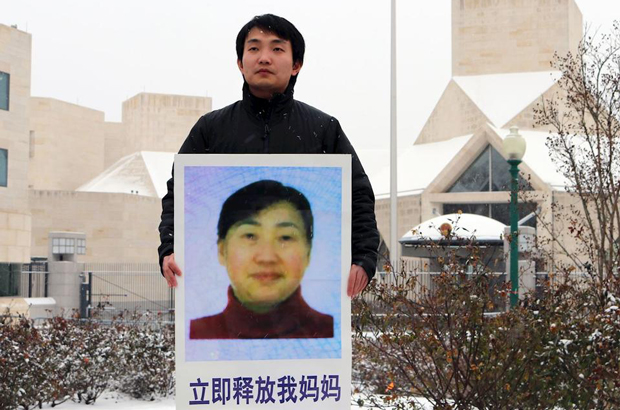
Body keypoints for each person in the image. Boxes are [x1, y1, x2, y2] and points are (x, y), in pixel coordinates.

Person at [159, 14, 379, 298]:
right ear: (240, 62)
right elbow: (179, 194)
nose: (264, 58)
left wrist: (363, 257)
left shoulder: (323, 128)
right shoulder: (211, 129)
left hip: (316, 298)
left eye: (277, 49)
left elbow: (358, 194)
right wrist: (169, 248)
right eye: (254, 48)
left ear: (296, 64)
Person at [190, 180, 333, 339]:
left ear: (308, 252)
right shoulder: (196, 335)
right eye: (250, 235)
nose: (267, 257)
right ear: (222, 250)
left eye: (285, 237)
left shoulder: (331, 333)